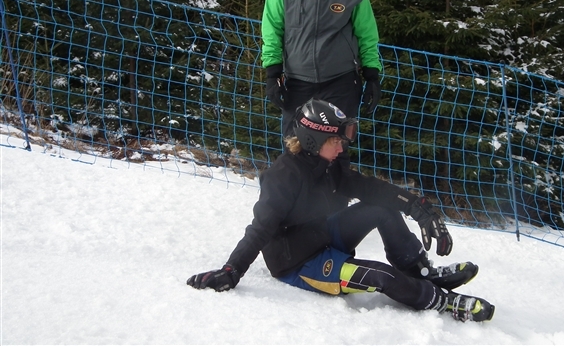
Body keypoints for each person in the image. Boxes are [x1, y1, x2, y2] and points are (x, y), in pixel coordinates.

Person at [187, 99, 495, 322]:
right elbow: (261, 228)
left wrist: (418, 206)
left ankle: (421, 273)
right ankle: (441, 301)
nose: (341, 147)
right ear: (313, 140)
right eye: (335, 141)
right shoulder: (283, 176)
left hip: (322, 235)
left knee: (380, 209)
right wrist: (232, 270)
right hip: (299, 262)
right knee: (381, 276)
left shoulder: (327, 165)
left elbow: (369, 188)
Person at [261, 0, 382, 140]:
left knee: (336, 149)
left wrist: (372, 75)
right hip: (297, 84)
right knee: (295, 149)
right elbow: (273, 30)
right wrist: (273, 74)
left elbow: (367, 35)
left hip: (341, 84)